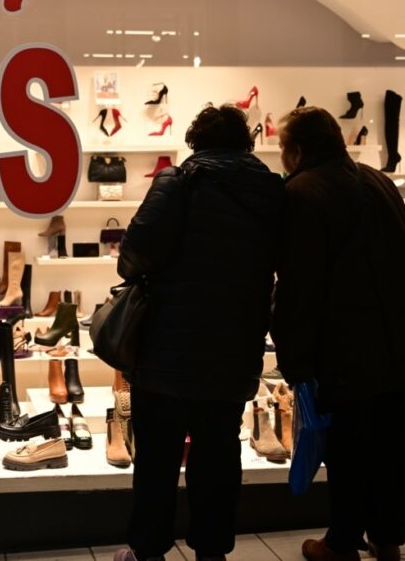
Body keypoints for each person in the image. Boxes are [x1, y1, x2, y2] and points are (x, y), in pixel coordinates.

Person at [114, 105, 285, 561]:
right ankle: (211, 552)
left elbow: (133, 256)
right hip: (234, 350)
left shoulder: (179, 181)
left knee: (158, 458)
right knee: (218, 457)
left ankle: (148, 550)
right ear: (246, 142)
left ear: (196, 141)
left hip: (166, 349)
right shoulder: (271, 190)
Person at [271, 107, 405, 561]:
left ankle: (341, 543)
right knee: (388, 446)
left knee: (347, 448)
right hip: (395, 342)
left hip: (343, 348)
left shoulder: (302, 193)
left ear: (297, 150)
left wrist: (294, 358)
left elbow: (299, 286)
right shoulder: (379, 182)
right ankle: (388, 537)